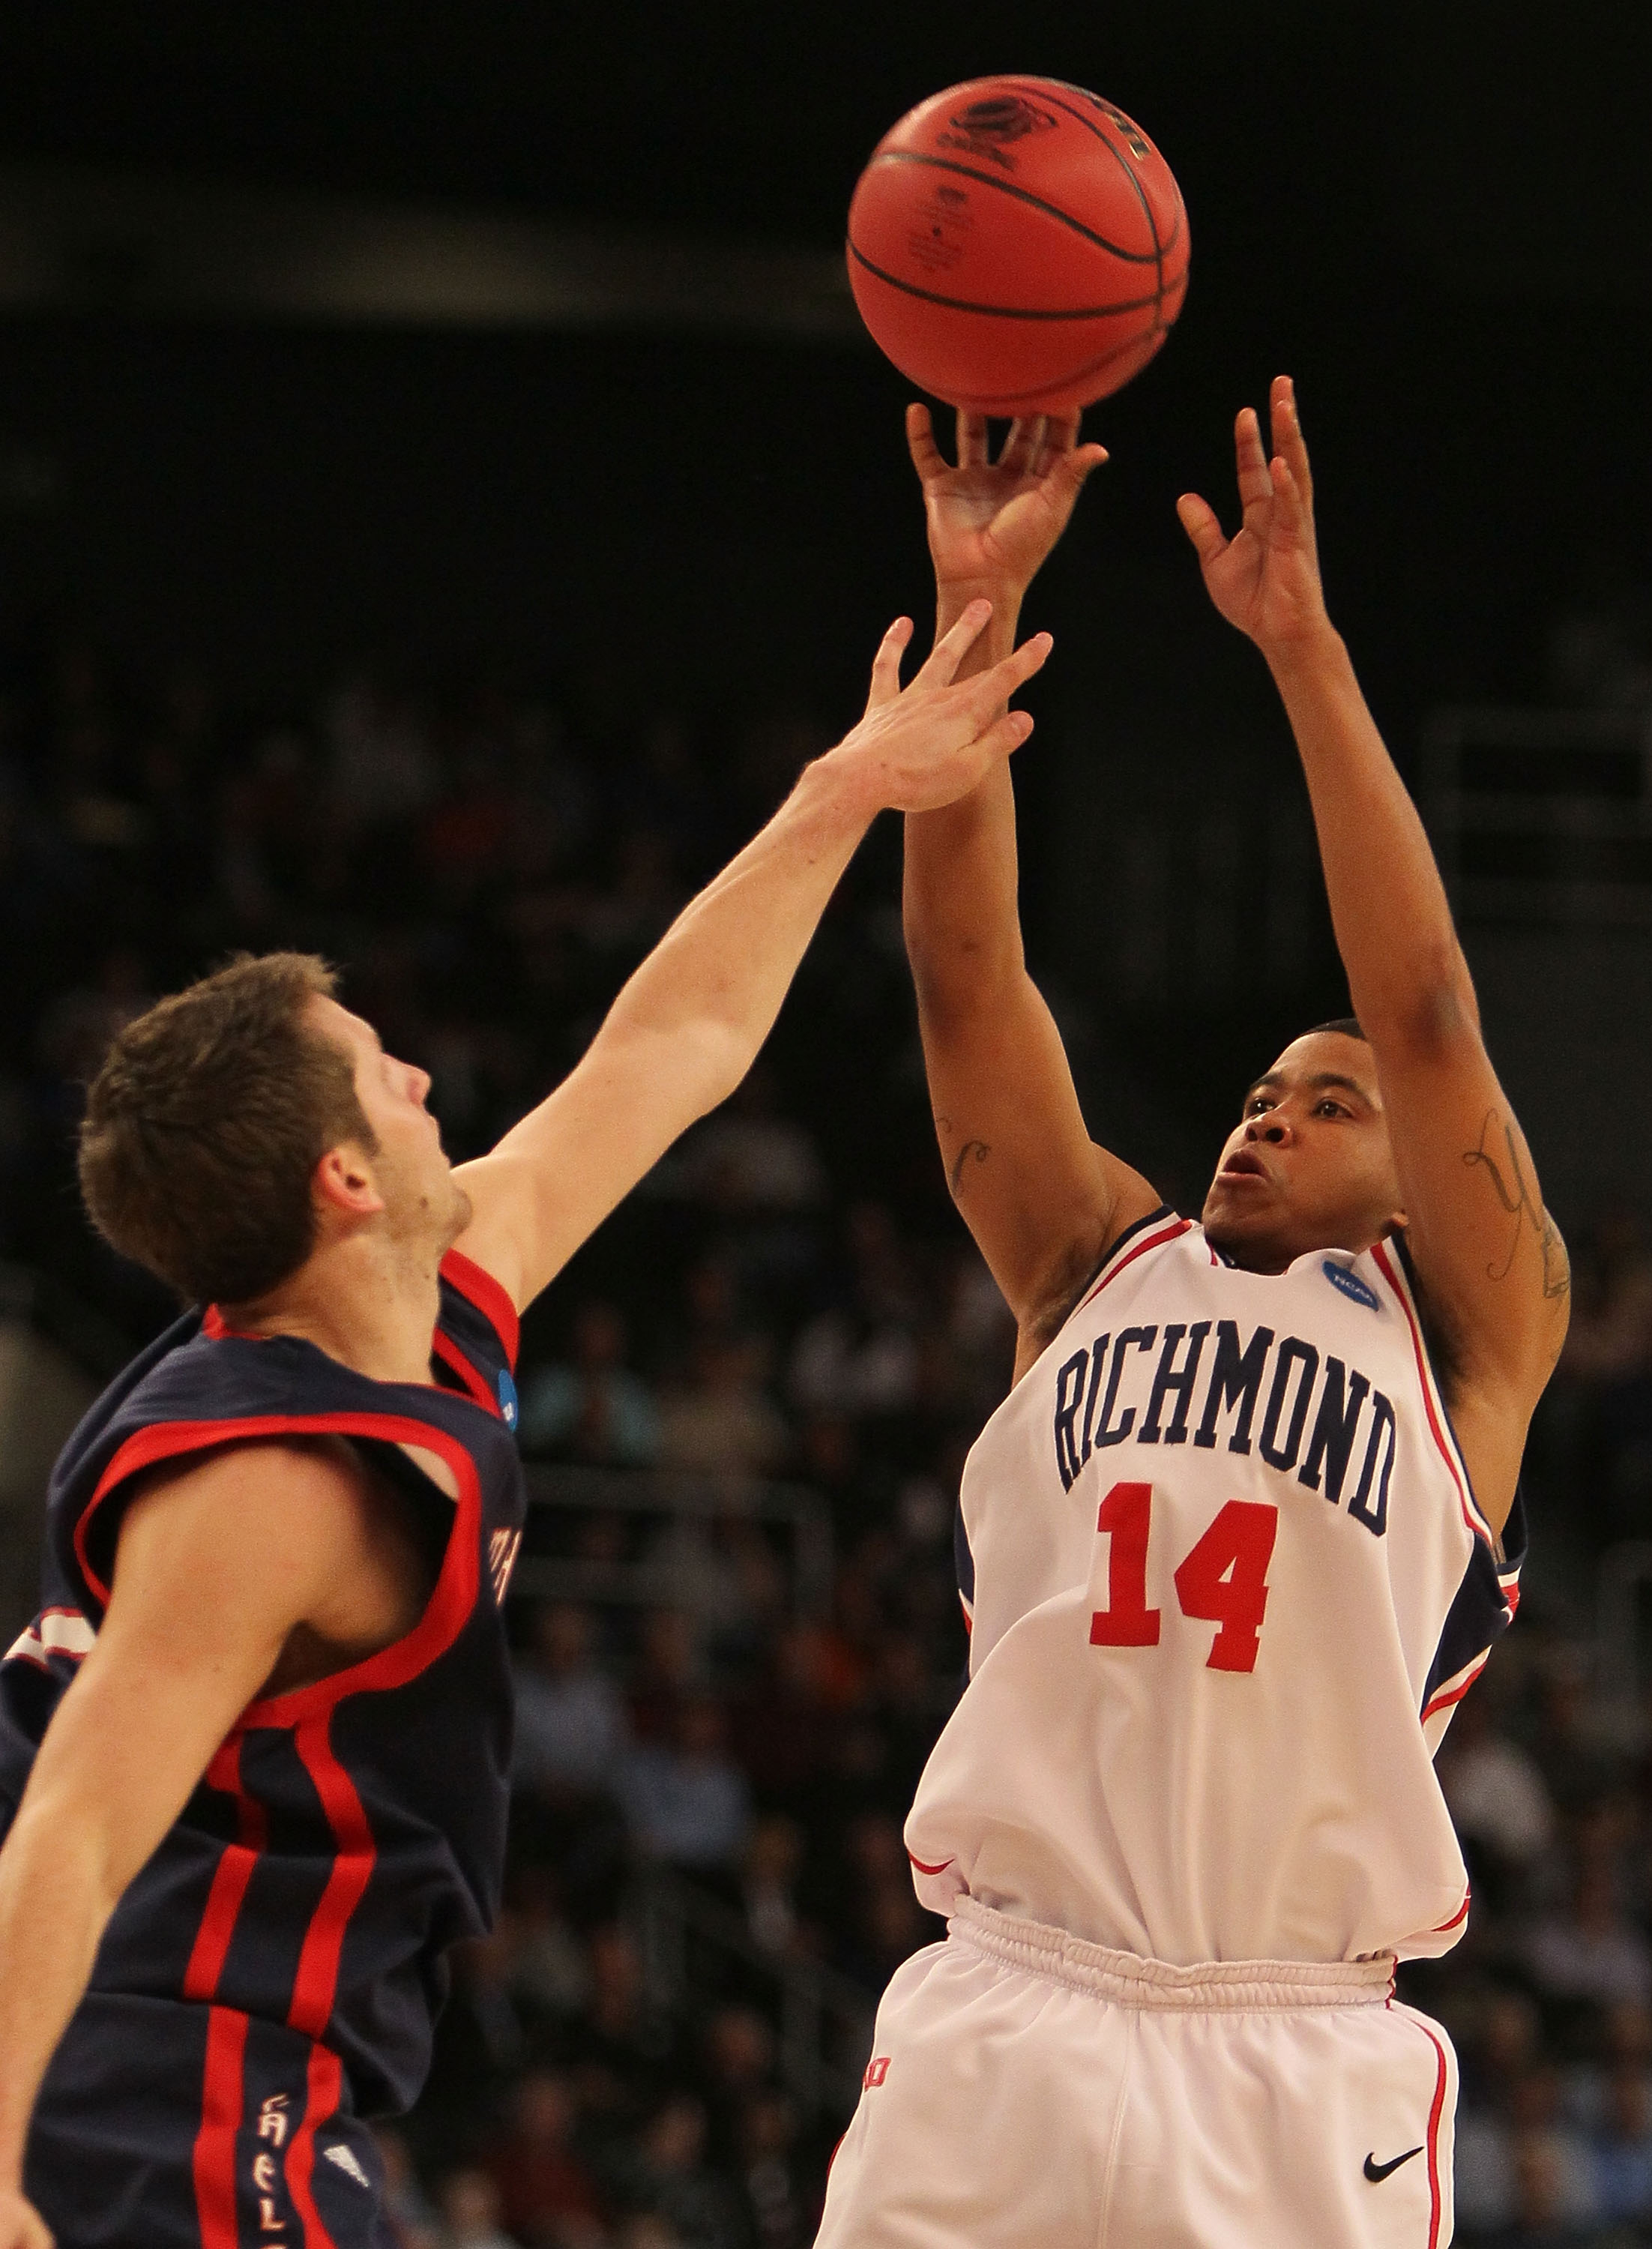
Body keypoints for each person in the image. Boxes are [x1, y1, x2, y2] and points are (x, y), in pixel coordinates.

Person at [0, 597, 1052, 2249]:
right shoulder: (271, 1482)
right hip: (143, 2090)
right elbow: (66, 1825)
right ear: (344, 1183)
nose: (423, 1080)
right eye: (380, 1070)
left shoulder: (426, 1294)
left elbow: (675, 1042)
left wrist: (854, 781)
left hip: (259, 2077)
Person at [816, 383, 1569, 2248]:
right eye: (1258, 1088)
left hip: (1292, 2054)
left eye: (1331, 1102)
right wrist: (974, 608)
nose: (1270, 1112)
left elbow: (1431, 1014)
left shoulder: (1470, 1341)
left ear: (1419, 1179)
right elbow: (963, 966)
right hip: (1010, 1997)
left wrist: (1302, 651)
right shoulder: (1092, 1266)